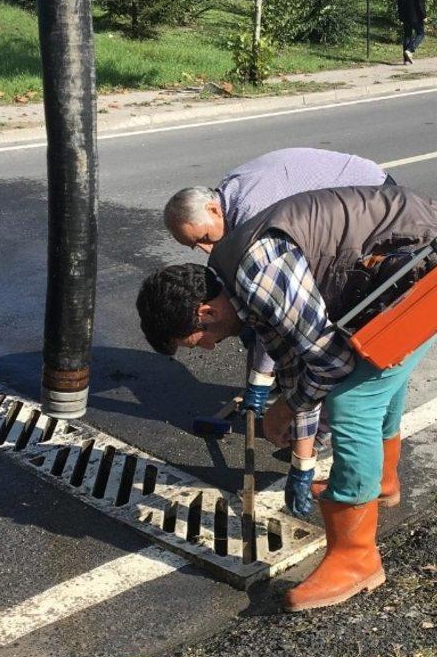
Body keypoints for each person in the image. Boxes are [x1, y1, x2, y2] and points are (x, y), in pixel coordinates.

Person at [137, 184, 437, 612]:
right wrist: (292, 411)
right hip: (404, 253)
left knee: (354, 400)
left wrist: (288, 406)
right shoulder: (234, 280)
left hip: (434, 259)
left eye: (194, 343)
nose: (203, 352)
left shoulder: (255, 274)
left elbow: (329, 364)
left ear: (205, 313)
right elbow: (294, 359)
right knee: (374, 376)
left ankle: (357, 559)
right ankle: (382, 483)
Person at [164, 148, 395, 451]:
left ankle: (323, 430)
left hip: (374, 203)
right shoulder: (231, 198)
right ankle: (305, 407)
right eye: (195, 246)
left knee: (333, 334)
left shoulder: (253, 216)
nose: (207, 250)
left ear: (213, 210)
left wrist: (261, 382)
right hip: (343, 212)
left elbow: (276, 308)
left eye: (205, 238)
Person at [397, 0, 427, 65]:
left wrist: (400, 14)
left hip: (405, 14)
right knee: (420, 33)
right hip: (416, 15)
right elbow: (420, 1)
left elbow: (399, 0)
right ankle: (410, 50)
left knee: (407, 35)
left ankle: (405, 60)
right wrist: (423, 15)